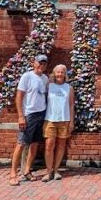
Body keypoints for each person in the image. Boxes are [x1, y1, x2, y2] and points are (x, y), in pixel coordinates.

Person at [9, 54, 50, 186]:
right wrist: (21, 116)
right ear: (34, 63)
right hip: (29, 114)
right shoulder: (27, 76)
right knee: (21, 143)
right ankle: (13, 174)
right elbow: (19, 97)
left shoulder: (45, 78)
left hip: (41, 113)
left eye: (44, 64)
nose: (41, 66)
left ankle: (26, 170)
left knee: (34, 144)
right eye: (39, 63)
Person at [41, 64, 75, 182]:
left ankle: (56, 170)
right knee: (49, 146)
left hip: (64, 120)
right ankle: (48, 171)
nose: (60, 74)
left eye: (62, 72)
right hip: (50, 119)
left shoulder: (69, 88)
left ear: (65, 74)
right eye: (58, 72)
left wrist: (71, 122)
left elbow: (71, 106)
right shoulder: (49, 86)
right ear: (54, 73)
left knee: (61, 146)